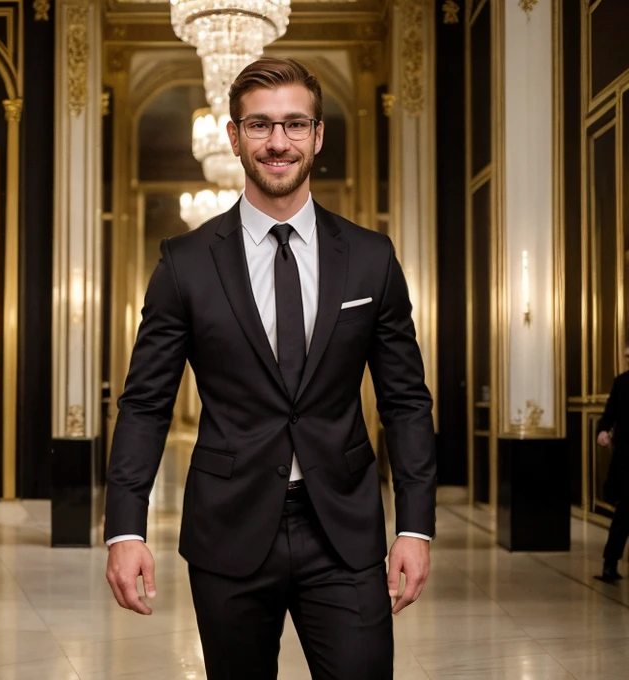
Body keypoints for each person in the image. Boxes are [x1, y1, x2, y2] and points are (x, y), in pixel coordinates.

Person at [103, 57, 436, 679]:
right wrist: (125, 530)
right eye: (259, 126)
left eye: (293, 124)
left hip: (343, 529)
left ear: (317, 135)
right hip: (228, 529)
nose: (278, 142)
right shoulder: (185, 263)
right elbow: (145, 404)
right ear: (234, 137)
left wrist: (416, 527)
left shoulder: (370, 257)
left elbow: (407, 401)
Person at [595, 347, 629, 582]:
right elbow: (609, 414)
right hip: (627, 457)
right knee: (625, 512)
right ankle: (610, 564)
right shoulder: (622, 383)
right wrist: (602, 430)